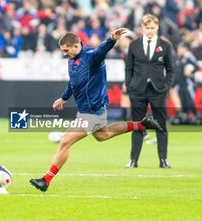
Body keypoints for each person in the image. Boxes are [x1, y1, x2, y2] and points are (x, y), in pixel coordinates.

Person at [29, 29, 162, 192]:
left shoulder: (92, 57)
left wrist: (111, 40)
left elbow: (102, 50)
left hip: (93, 110)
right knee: (103, 135)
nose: (64, 54)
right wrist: (63, 98)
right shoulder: (72, 59)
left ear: (76, 46)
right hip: (86, 110)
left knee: (66, 140)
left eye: (66, 50)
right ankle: (142, 125)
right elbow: (73, 83)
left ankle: (46, 180)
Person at [125, 14, 174, 168]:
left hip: (158, 90)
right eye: (147, 28)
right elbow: (129, 68)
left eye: (152, 28)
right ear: (142, 28)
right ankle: (133, 160)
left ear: (157, 27)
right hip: (138, 90)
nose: (150, 31)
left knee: (161, 125)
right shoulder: (133, 45)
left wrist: (166, 87)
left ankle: (163, 160)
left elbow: (171, 69)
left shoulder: (165, 46)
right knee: (137, 126)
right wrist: (130, 86)